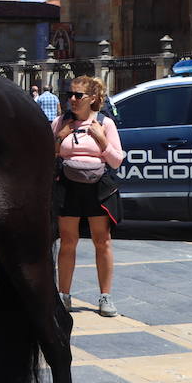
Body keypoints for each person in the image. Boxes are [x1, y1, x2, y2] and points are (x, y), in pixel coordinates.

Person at [53, 75, 124, 317]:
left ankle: (106, 297)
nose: (72, 99)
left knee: (102, 241)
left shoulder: (105, 123)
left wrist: (102, 140)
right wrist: (60, 136)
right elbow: (48, 155)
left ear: (92, 98)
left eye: (78, 95)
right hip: (68, 187)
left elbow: (116, 161)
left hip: (98, 188)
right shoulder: (61, 122)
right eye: (69, 95)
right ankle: (64, 296)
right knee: (67, 241)